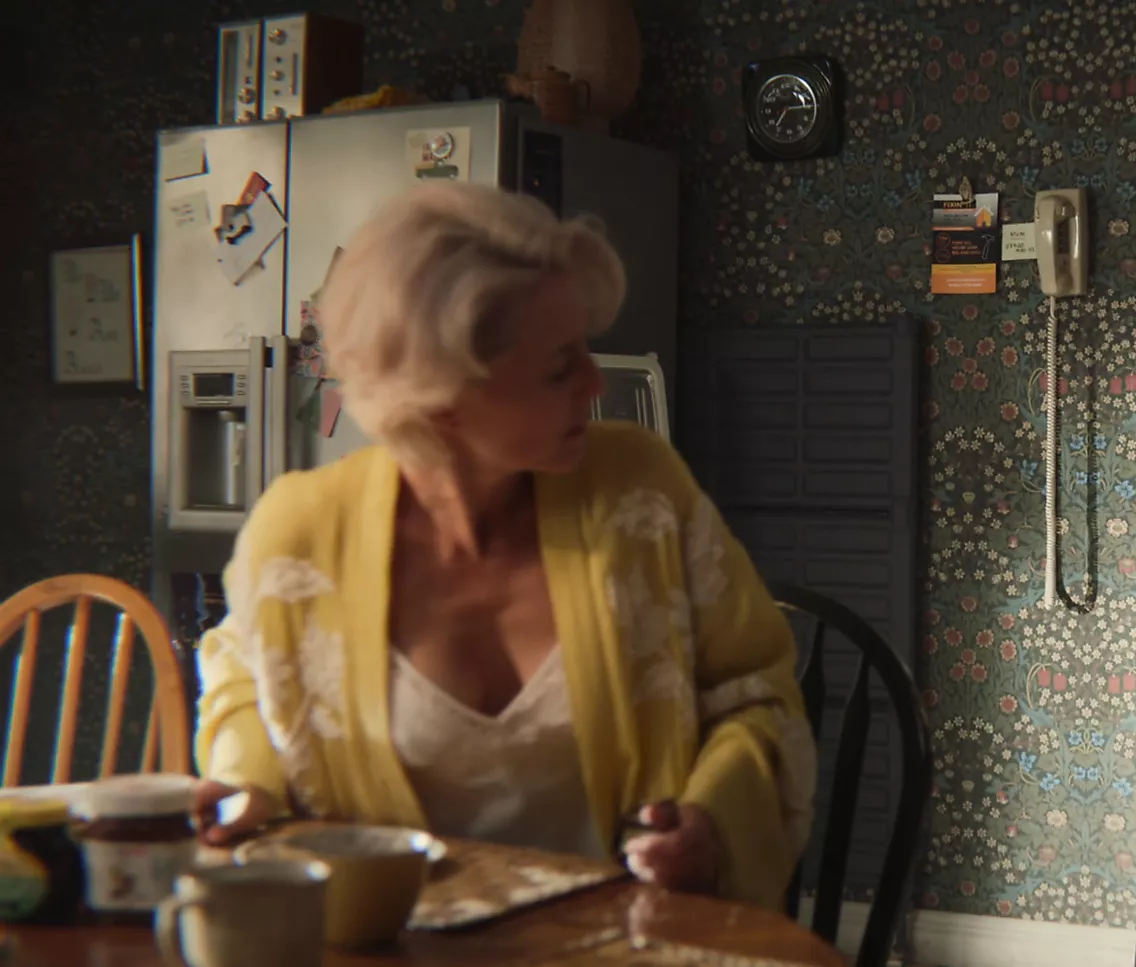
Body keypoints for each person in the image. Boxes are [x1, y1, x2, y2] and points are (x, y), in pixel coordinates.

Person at [190, 182, 818, 912]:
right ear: (443, 404)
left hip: (621, 944)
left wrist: (713, 821)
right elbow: (244, 681)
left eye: (585, 349)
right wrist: (247, 785)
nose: (594, 383)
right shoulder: (300, 535)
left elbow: (756, 695)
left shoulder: (641, 495)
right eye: (558, 367)